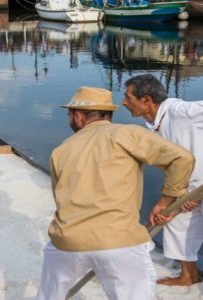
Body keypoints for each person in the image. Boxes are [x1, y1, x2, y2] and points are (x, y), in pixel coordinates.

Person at [36, 86, 195, 300]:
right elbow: (182, 159)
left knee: (49, 295)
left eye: (69, 114)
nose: (69, 119)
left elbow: (60, 198)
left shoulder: (61, 150)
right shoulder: (126, 133)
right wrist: (166, 200)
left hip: (66, 242)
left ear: (79, 116)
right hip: (119, 241)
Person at [122, 73, 203, 286]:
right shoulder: (156, 124)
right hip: (189, 188)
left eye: (128, 97)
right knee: (175, 222)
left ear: (146, 100)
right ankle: (189, 275)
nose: (123, 102)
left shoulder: (181, 112)